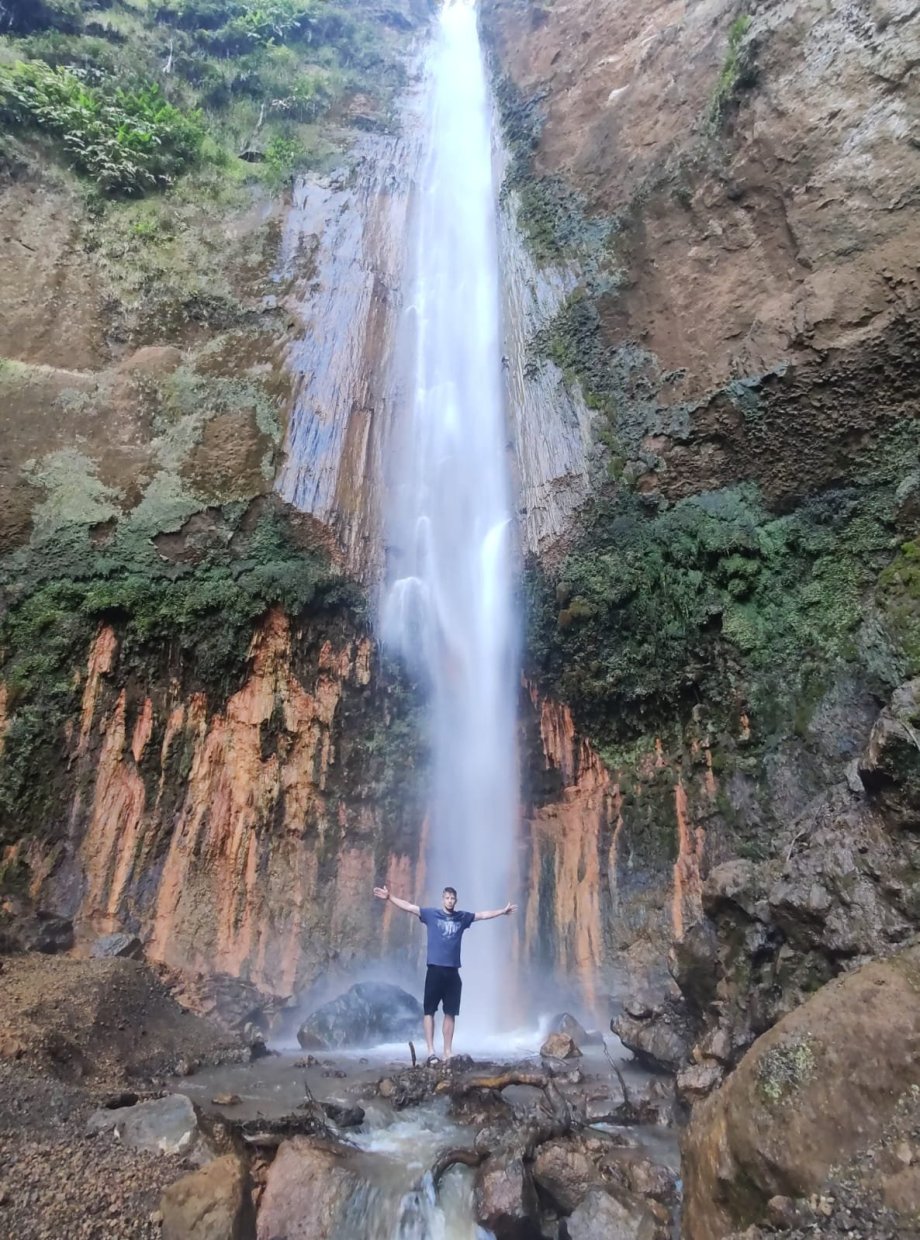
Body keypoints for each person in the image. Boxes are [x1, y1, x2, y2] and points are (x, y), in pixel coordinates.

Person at [373, 883, 516, 1063]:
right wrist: (390, 897)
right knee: (429, 1011)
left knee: (450, 1012)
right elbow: (410, 907)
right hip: (434, 969)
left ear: (456, 900)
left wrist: (502, 912)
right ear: (443, 899)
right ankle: (431, 1051)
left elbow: (482, 915)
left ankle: (447, 1051)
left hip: (453, 972)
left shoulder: (462, 917)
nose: (449, 901)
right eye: (447, 898)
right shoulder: (431, 915)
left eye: (452, 898)